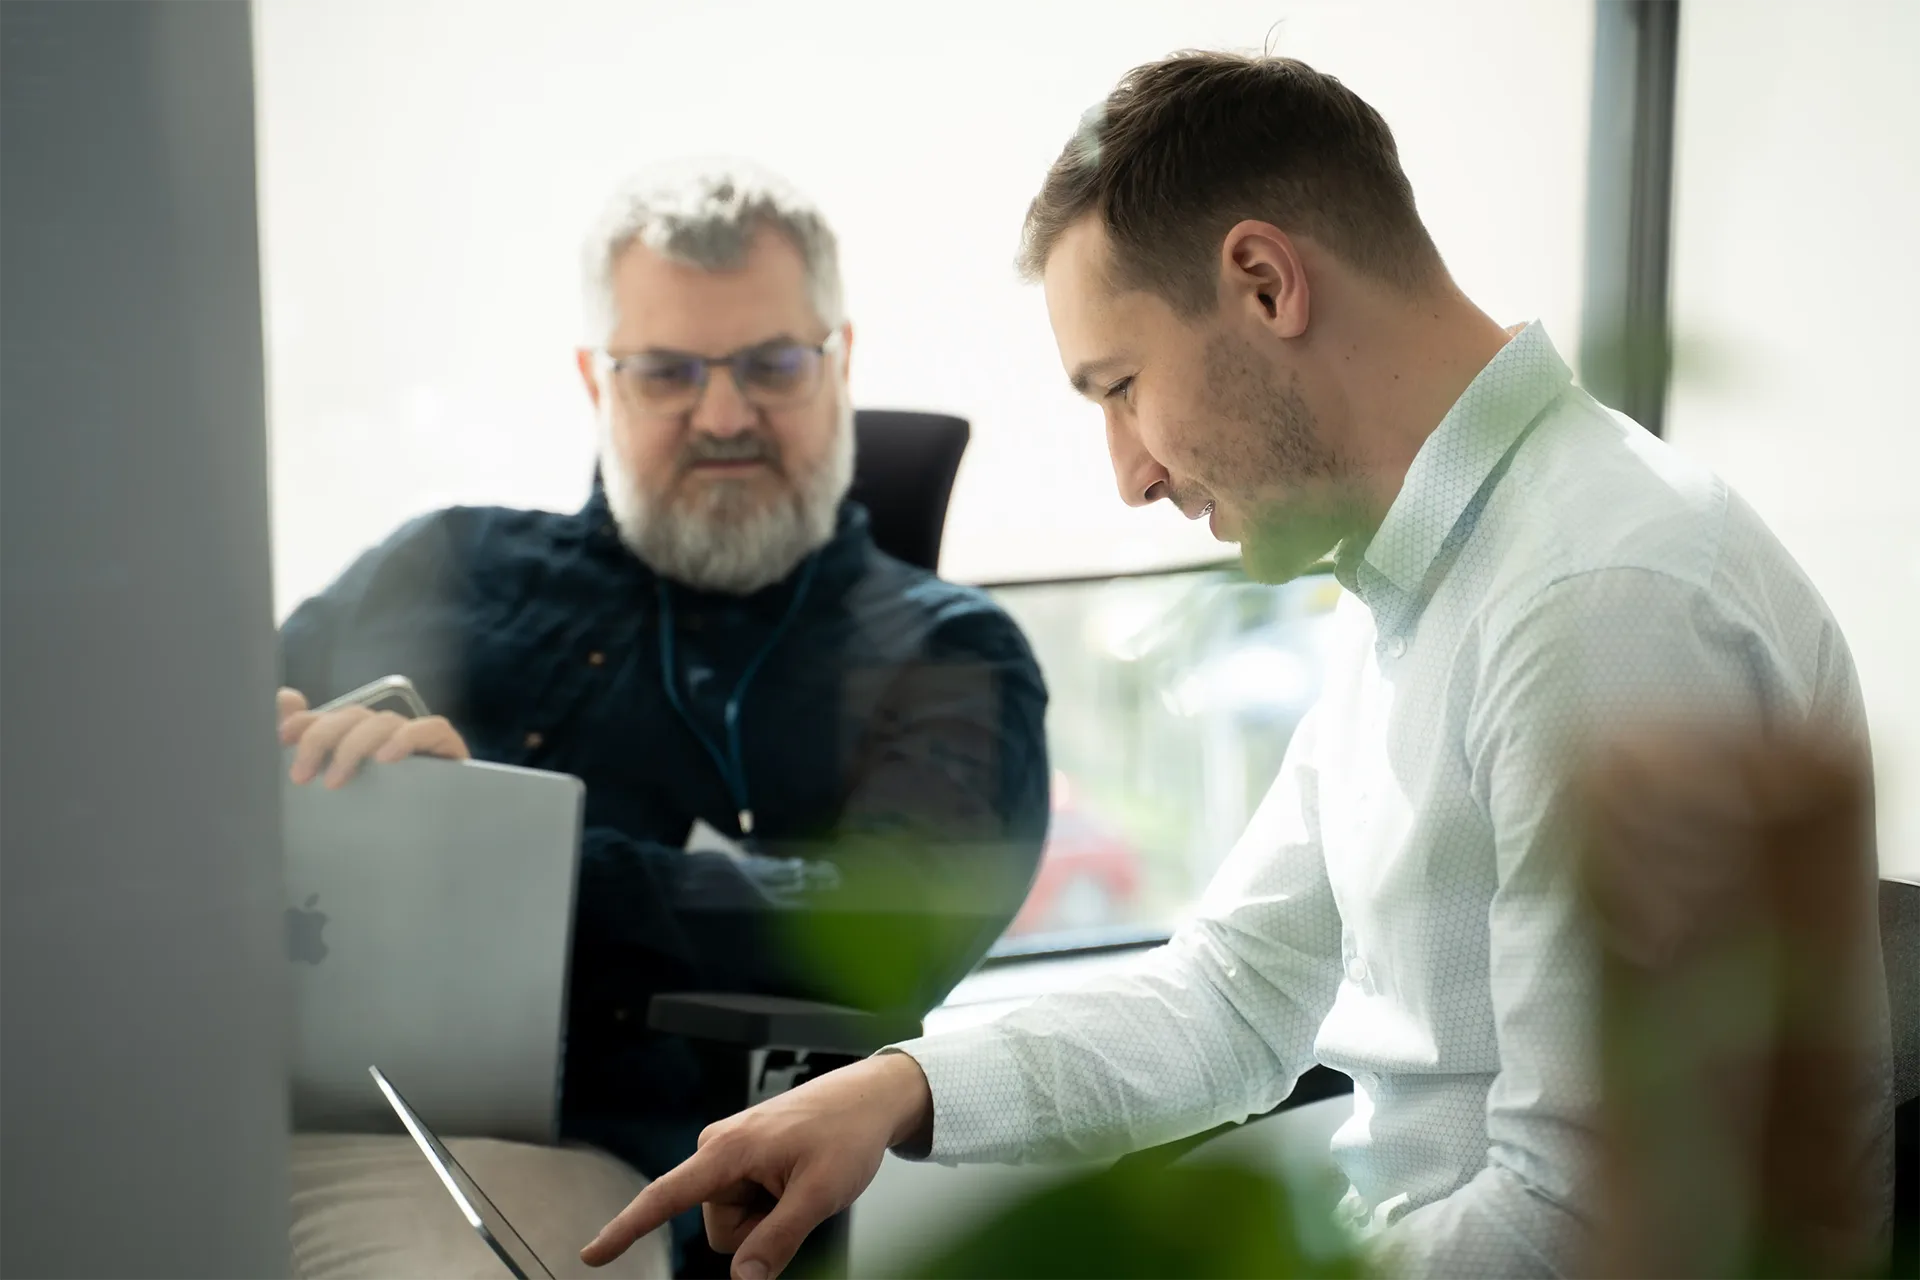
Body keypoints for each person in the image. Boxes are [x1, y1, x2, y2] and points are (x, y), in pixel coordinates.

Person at [579, 53, 1892, 1280]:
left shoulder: (1600, 599)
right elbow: (1238, 994)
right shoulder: (1427, 579)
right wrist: (898, 1090)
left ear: (1266, 283)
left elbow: (1589, 1227)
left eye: (1122, 386)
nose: (1131, 474)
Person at [277, 161, 1051, 1275]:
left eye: (772, 365)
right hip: (226, 1096)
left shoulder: (943, 652)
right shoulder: (444, 560)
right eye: (667, 372)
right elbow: (199, 771)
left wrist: (492, 849)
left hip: (552, 1162)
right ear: (598, 377)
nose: (723, 414)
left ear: (841, 362)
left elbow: (893, 926)